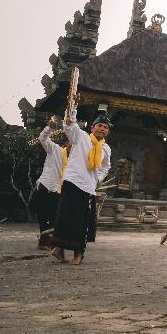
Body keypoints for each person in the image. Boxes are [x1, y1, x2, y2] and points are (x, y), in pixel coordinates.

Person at [50, 111, 112, 266]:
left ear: (108, 131)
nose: (102, 129)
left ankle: (79, 254)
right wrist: (73, 109)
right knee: (65, 218)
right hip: (72, 182)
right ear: (92, 127)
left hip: (88, 187)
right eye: (99, 125)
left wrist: (99, 178)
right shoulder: (81, 137)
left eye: (105, 127)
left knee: (82, 222)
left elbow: (106, 166)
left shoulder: (106, 149)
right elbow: (69, 124)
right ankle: (59, 249)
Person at [33, 117, 71, 250]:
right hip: (46, 185)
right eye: (70, 143)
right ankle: (44, 242)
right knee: (43, 215)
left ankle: (49, 241)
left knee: (55, 216)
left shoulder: (74, 160)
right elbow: (42, 138)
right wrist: (49, 128)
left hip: (59, 189)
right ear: (66, 143)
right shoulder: (55, 149)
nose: (72, 146)